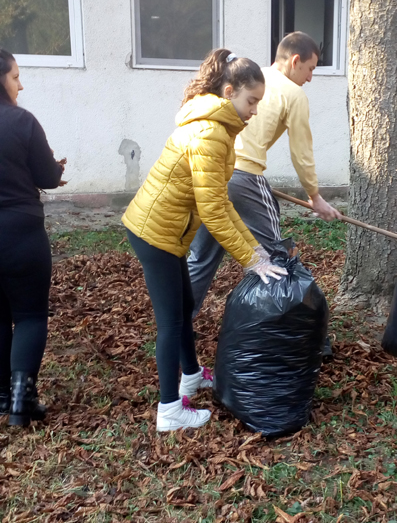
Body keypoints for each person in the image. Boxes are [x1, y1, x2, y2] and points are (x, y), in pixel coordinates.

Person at [122, 49, 286, 433]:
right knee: (171, 322)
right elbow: (212, 212)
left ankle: (192, 376)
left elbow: (221, 203)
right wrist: (252, 260)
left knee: (182, 308)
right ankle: (169, 410)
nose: (255, 110)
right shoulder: (210, 133)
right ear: (229, 92)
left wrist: (254, 249)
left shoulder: (219, 127)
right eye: (251, 101)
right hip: (155, 233)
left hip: (167, 231)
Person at [187, 31, 342, 316]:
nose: (310, 78)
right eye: (310, 69)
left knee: (201, 259)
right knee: (277, 255)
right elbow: (301, 152)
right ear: (295, 61)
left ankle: (177, 325)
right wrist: (315, 196)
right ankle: (291, 328)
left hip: (214, 173)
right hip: (245, 177)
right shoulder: (293, 93)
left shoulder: (250, 78)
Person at [0, 49, 65, 426]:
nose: (20, 85)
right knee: (29, 315)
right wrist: (55, 167)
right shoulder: (21, 121)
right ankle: (21, 403)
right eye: (15, 77)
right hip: (19, 232)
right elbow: (46, 177)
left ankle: (1, 395)